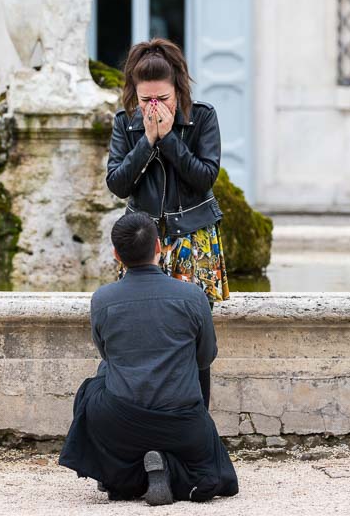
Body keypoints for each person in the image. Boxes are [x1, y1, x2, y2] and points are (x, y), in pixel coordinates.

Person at [59, 212, 238, 505]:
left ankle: (124, 478)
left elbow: (107, 355)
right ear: (159, 247)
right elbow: (206, 357)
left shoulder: (102, 299)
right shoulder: (192, 296)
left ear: (116, 254)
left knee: (92, 388)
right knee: (215, 475)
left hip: (121, 425)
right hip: (183, 426)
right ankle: (167, 467)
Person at [106, 37, 230, 410]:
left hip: (192, 236)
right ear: (135, 94)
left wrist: (171, 139)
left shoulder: (202, 117)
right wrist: (147, 140)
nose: (154, 107)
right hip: (143, 239)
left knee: (192, 335)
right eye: (146, 100)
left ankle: (196, 419)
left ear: (178, 88)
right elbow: (117, 183)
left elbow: (204, 177)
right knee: (139, 331)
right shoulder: (125, 124)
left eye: (162, 98)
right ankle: (143, 416)